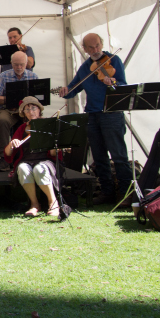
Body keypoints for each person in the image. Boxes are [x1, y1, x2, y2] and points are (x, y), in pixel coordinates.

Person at [59, 33, 129, 204]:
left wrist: (112, 83)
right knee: (99, 157)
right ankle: (107, 192)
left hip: (111, 113)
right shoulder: (84, 68)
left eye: (97, 45)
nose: (95, 50)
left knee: (119, 156)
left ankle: (127, 193)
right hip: (92, 115)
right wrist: (65, 90)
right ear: (84, 49)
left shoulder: (114, 60)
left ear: (102, 43)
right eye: (91, 47)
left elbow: (124, 86)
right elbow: (74, 88)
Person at [3, 96, 61, 217]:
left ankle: (53, 203)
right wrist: (12, 144)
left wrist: (55, 145)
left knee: (39, 169)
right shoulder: (22, 128)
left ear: (39, 110)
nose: (31, 112)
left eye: (33, 108)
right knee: (23, 168)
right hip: (27, 161)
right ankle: (34, 204)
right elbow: (8, 154)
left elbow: (53, 154)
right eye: (27, 109)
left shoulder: (48, 125)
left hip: (46, 160)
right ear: (24, 113)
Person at [0, 51, 39, 154]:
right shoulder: (4, 76)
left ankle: (31, 152)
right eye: (16, 64)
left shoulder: (33, 76)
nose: (19, 67)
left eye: (21, 64)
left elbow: (38, 100)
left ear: (26, 64)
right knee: (3, 120)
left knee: (34, 120)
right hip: (8, 110)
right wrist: (11, 98)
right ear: (11, 63)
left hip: (26, 110)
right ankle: (4, 154)